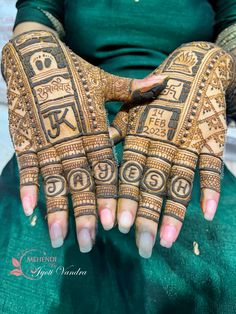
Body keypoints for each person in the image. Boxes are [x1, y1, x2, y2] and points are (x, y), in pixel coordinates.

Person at [0, 1, 236, 313]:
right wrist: (34, 50)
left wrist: (215, 65)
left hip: (181, 138)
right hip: (72, 131)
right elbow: (36, 22)